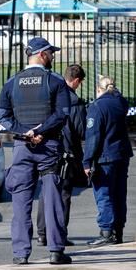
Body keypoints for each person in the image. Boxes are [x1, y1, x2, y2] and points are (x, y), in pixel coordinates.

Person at [0, 37, 72, 265]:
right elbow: (62, 114)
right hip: (48, 146)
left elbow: (2, 117)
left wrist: (25, 132)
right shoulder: (55, 81)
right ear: (42, 54)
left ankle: (20, 253)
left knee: (20, 200)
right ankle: (56, 250)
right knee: (52, 199)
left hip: (22, 147)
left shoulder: (11, 83)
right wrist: (40, 130)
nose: (53, 56)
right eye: (51, 52)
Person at [36, 64, 87, 247]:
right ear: (76, 81)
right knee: (64, 193)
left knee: (46, 191)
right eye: (79, 82)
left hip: (48, 148)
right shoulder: (74, 102)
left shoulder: (51, 95)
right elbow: (81, 131)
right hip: (67, 152)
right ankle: (59, 234)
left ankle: (42, 233)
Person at [83, 75, 133, 247]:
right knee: (119, 194)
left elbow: (93, 137)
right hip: (121, 154)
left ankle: (106, 232)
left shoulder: (97, 107)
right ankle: (118, 231)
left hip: (104, 157)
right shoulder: (121, 103)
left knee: (104, 194)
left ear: (98, 89)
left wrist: (87, 161)